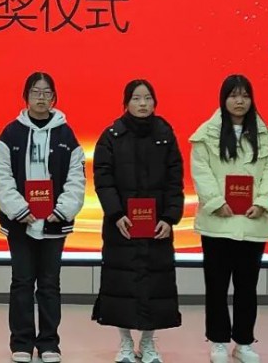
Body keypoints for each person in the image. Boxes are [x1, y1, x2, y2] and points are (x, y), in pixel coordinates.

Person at [190, 74, 268, 363]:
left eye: (244, 95)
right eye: (233, 95)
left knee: (247, 287)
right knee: (216, 287)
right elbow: (201, 171)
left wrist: (263, 202)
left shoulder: (266, 136)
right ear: (224, 99)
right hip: (217, 224)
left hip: (252, 222)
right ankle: (218, 341)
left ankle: (243, 342)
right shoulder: (206, 134)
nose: (239, 101)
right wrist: (215, 202)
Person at [0, 72, 86, 363]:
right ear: (26, 97)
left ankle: (49, 343)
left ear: (54, 98)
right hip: (20, 223)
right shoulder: (11, 134)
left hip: (54, 223)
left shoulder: (66, 135)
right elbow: (1, 176)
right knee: (21, 282)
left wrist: (62, 210)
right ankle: (21, 342)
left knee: (49, 284)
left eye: (47, 93)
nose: (41, 98)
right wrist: (20, 209)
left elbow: (76, 178)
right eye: (35, 92)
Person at [91, 80, 184, 363]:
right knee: (122, 286)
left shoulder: (165, 134)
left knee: (155, 287)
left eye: (147, 98)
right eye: (136, 98)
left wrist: (169, 217)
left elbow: (175, 179)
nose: (143, 104)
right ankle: (124, 344)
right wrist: (116, 214)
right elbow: (103, 179)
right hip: (122, 227)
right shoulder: (111, 136)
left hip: (157, 227)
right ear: (126, 103)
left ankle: (147, 343)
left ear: (155, 102)